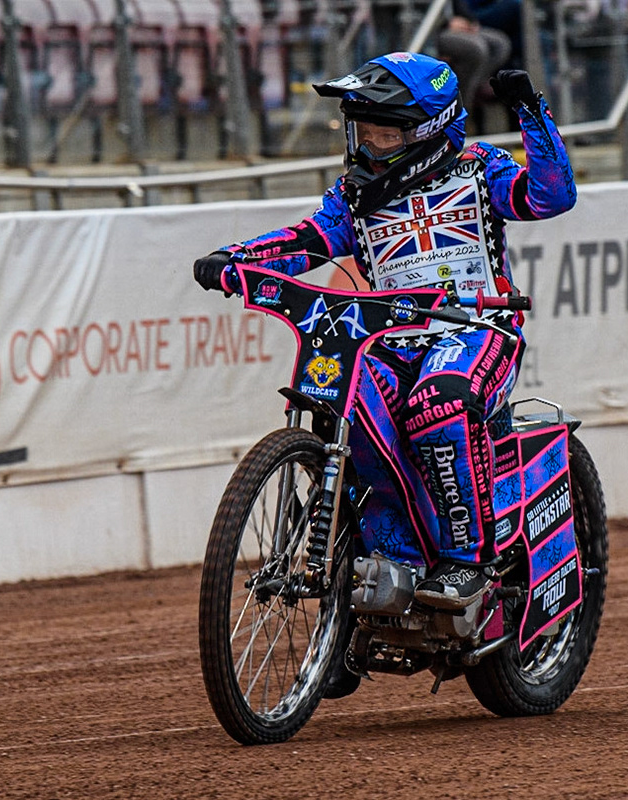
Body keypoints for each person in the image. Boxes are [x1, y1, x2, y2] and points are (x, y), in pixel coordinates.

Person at [192, 52, 577, 612]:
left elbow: (550, 196)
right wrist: (237, 259)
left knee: (439, 404)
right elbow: (305, 241)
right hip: (387, 336)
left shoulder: (478, 167)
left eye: (384, 131)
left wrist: (530, 111)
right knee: (341, 404)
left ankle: (466, 560)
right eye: (362, 129)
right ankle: (368, 574)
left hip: (478, 327)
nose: (368, 142)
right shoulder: (352, 196)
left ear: (427, 131)